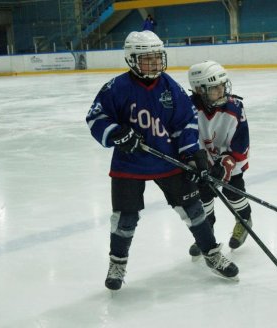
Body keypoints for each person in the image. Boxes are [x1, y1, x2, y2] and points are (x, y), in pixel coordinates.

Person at [86, 31, 238, 291]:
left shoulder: (170, 87)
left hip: (168, 161)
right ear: (132, 60)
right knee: (125, 218)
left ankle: (211, 253)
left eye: (158, 58)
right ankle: (117, 262)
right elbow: (96, 118)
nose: (156, 64)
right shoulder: (117, 87)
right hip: (129, 163)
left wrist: (193, 155)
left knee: (194, 211)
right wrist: (117, 133)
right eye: (148, 60)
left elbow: (185, 123)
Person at [187, 60, 252, 258]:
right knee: (203, 198)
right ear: (199, 90)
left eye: (223, 85)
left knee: (235, 193)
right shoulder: (188, 110)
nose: (222, 90)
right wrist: (199, 162)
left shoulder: (235, 108)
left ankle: (244, 220)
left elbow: (241, 143)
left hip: (229, 161)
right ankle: (206, 233)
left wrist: (227, 162)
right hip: (202, 163)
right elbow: (186, 139)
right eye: (215, 87)